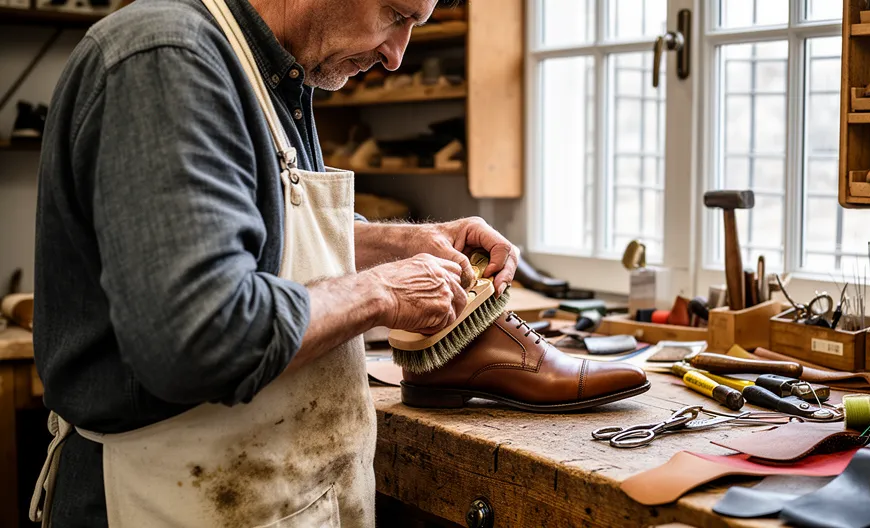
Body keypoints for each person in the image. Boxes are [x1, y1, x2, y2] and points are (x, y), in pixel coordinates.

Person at [30, 0, 517, 526]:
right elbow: (201, 334)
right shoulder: (168, 59)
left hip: (272, 496)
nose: (396, 56)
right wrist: (384, 292)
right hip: (163, 498)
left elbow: (268, 241)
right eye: (396, 15)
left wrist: (406, 243)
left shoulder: (276, 76)